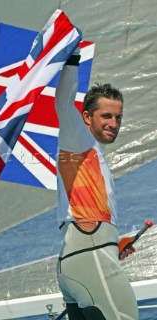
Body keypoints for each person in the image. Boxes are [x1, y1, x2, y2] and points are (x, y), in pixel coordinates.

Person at [55, 31, 138, 320]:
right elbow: (64, 104)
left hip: (82, 257)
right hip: (89, 256)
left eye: (118, 118)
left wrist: (112, 246)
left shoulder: (92, 153)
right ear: (87, 117)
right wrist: (71, 59)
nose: (114, 124)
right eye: (106, 116)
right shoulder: (77, 139)